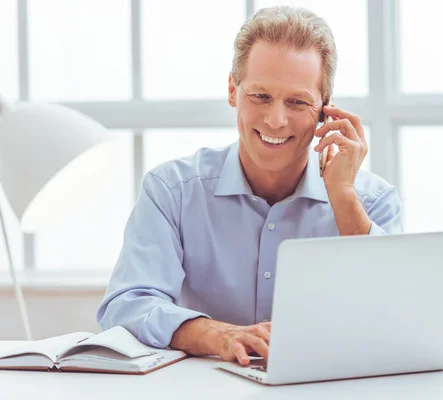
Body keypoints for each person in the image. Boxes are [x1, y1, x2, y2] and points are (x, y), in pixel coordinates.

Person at [97, 5, 403, 366]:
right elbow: (126, 305)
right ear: (233, 90)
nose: (276, 119)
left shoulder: (371, 201)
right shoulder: (172, 191)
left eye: (297, 101)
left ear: (325, 111)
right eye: (260, 96)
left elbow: (396, 319)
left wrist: (343, 198)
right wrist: (217, 335)